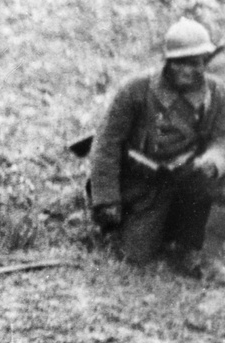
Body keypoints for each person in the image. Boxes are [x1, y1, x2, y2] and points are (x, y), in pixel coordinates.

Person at [89, 18, 225, 276]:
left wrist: (213, 161)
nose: (187, 69)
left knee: (210, 182)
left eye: (195, 62)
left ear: (204, 62)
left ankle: (191, 247)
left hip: (186, 177)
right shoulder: (137, 90)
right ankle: (148, 226)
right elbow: (106, 144)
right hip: (142, 183)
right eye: (179, 62)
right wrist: (106, 199)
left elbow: (222, 138)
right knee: (136, 256)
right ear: (167, 61)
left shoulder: (216, 93)